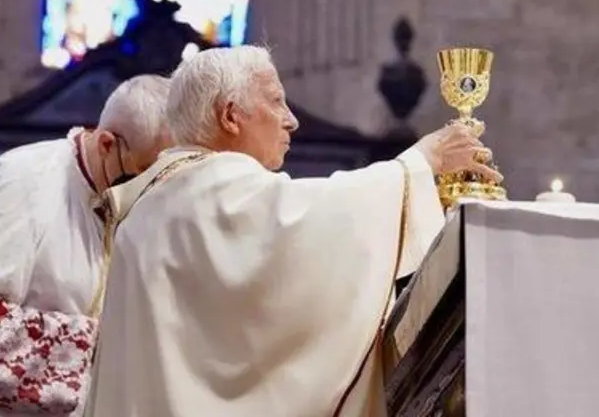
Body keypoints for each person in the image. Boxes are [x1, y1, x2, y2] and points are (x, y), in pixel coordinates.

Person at [86, 45, 499, 417]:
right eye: (277, 102)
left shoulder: (154, 200)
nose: (292, 120)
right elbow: (313, 224)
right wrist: (419, 164)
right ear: (230, 115)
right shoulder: (214, 190)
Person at [0, 74, 174, 417]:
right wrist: (97, 348)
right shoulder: (24, 182)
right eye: (144, 171)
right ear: (107, 144)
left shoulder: (113, 196)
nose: (150, 187)